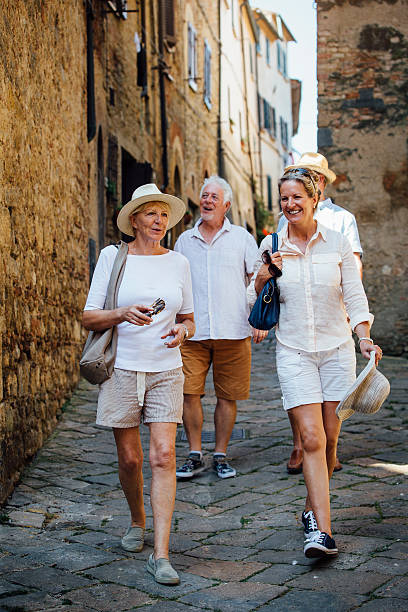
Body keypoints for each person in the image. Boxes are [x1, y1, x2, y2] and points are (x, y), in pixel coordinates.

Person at [248, 169, 382, 558]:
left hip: (337, 350)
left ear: (313, 198)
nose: (290, 205)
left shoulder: (337, 242)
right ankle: (322, 533)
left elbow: (354, 295)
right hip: (293, 351)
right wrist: (262, 276)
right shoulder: (271, 244)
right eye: (284, 199)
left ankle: (310, 508)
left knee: (330, 440)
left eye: (296, 198)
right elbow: (251, 300)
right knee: (310, 439)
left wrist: (364, 338)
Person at [82, 184, 195, 585]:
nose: (159, 221)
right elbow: (89, 317)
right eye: (150, 214)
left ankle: (161, 555)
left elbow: (189, 318)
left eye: (163, 215)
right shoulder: (113, 257)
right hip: (122, 368)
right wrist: (122, 313)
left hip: (166, 369)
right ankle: (136, 520)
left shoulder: (179, 263)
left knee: (163, 456)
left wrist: (182, 332)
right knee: (130, 459)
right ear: (134, 220)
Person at [278, 152, 363, 475]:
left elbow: (353, 267)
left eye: (311, 175)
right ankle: (301, 443)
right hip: (296, 330)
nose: (291, 203)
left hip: (333, 318)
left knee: (331, 420)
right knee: (303, 405)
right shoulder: (285, 219)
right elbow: (272, 263)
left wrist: (355, 317)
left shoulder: (342, 221)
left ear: (320, 185)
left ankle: (329, 452)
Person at [174, 175, 259, 480]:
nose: (207, 201)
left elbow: (258, 278)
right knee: (189, 394)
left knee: (228, 395)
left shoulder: (241, 238)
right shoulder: (184, 240)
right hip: (193, 332)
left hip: (233, 330)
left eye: (214, 197)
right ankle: (195, 454)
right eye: (204, 196)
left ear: (227, 205)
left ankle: (221, 454)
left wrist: (258, 317)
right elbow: (174, 285)